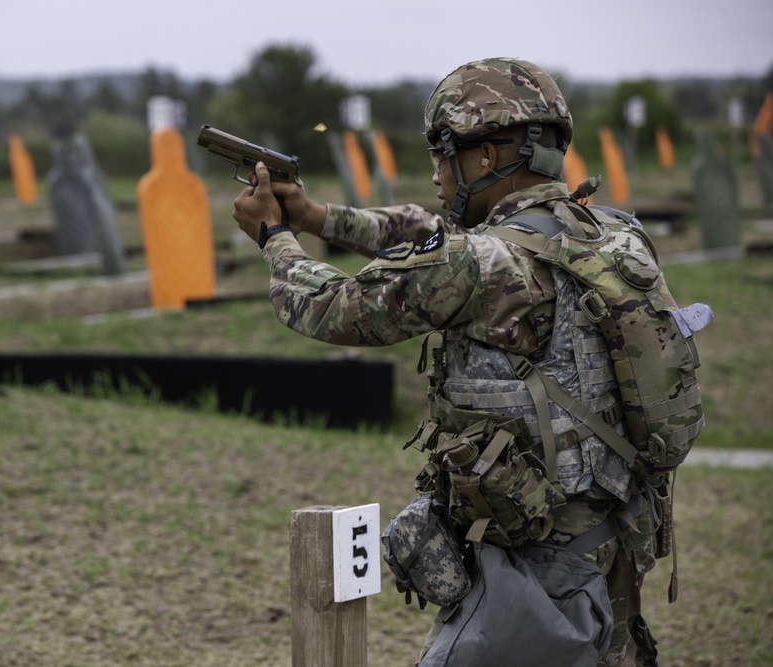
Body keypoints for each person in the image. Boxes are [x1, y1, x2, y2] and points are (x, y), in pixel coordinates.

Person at [233, 57, 670, 666]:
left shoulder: (480, 265)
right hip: (610, 544)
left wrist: (274, 237)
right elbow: (423, 231)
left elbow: (330, 306)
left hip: (534, 580)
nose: (436, 172)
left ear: (485, 158)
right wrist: (315, 218)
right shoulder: (612, 235)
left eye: (443, 153)